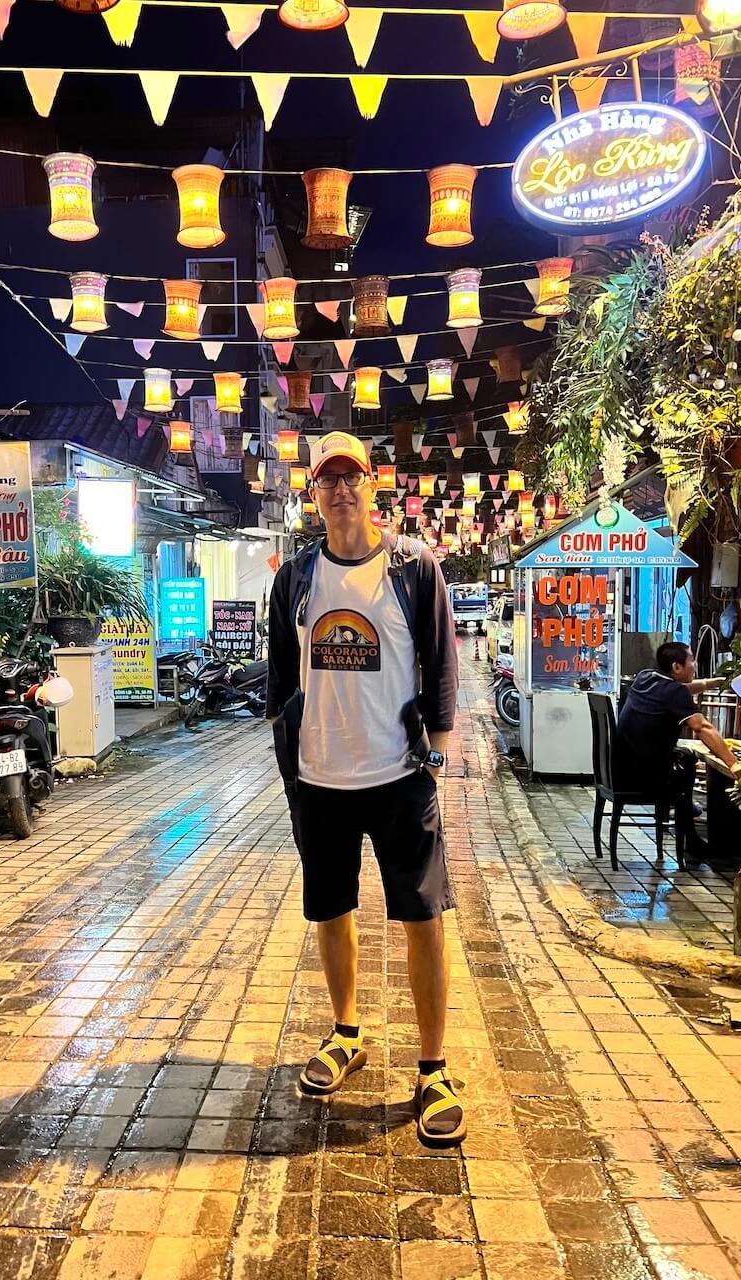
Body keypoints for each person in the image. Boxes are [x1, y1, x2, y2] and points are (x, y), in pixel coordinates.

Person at [267, 430, 463, 1148]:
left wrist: (438, 761)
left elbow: (442, 666)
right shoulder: (294, 578)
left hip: (399, 777)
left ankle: (433, 1065)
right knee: (331, 908)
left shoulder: (413, 568)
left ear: (373, 486)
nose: (341, 490)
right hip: (320, 778)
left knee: (422, 916)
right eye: (328, 479)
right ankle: (346, 1031)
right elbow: (281, 679)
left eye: (353, 477)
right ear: (312, 493)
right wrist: (288, 760)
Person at [617, 641, 738, 858]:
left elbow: (682, 689)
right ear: (677, 667)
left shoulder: (645, 677)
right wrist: (733, 763)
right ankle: (690, 835)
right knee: (687, 764)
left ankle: (687, 818)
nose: (695, 664)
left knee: (684, 758)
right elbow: (702, 727)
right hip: (645, 776)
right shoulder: (673, 693)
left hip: (623, 768)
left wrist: (717, 683)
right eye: (691, 660)